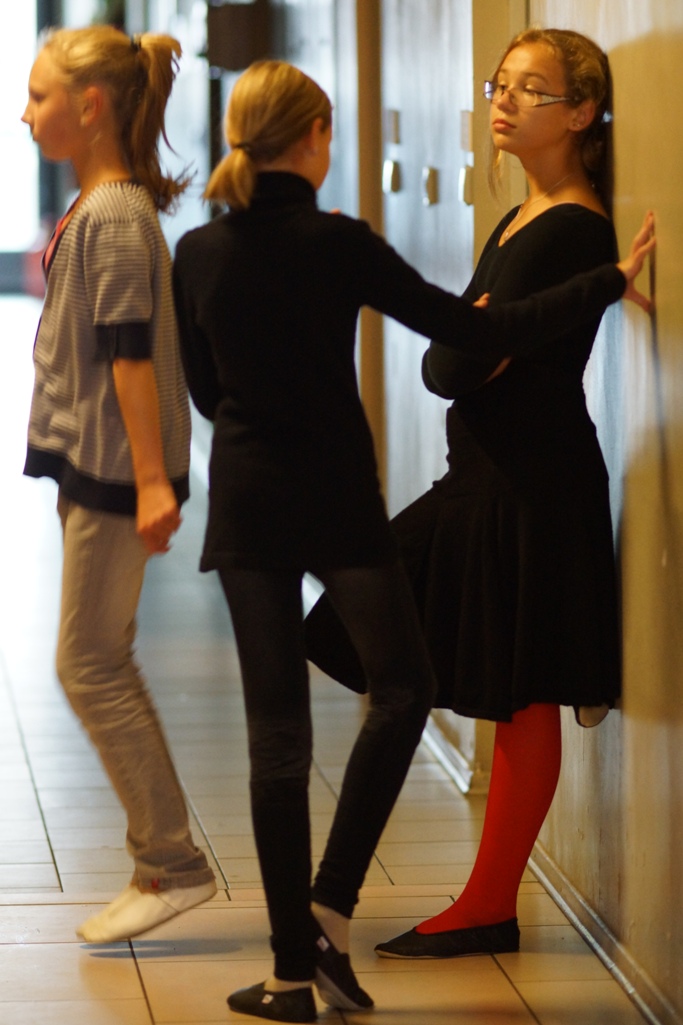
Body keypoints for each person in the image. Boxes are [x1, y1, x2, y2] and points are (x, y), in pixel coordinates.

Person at [173, 59, 652, 1024]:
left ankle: (291, 968)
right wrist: (608, 282)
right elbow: (454, 335)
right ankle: (328, 910)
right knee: (405, 689)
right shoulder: (340, 243)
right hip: (343, 499)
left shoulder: (196, 250)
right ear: (316, 138)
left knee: (278, 739)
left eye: (524, 88)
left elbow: (205, 389)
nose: (501, 102)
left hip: (251, 505)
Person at [307, 28, 650, 962]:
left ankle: (488, 902)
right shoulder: (519, 220)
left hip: (528, 486)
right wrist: (468, 338)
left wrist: (473, 337)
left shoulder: (570, 228)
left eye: (529, 88)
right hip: (489, 479)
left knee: (521, 693)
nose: (501, 100)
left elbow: (453, 363)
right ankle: (477, 898)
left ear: (580, 114)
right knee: (465, 668)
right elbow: (450, 355)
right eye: (500, 83)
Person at [21, 25, 217, 944]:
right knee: (96, 655)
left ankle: (170, 862)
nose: (25, 114)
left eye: (39, 97)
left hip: (112, 470)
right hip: (94, 459)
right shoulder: (103, 205)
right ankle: (163, 856)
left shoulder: (114, 216)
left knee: (89, 662)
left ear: (90, 106)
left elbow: (132, 356)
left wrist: (149, 483)